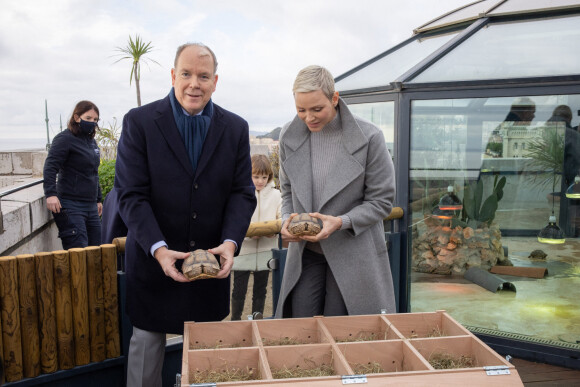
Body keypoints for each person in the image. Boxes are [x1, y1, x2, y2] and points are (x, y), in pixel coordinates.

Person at [114, 42, 256, 386]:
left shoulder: (235, 127)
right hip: (152, 262)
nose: (195, 83)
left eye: (204, 76)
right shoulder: (140, 122)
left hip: (210, 268)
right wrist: (159, 250)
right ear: (174, 76)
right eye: (187, 74)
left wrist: (230, 243)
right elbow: (131, 195)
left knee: (208, 363)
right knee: (146, 352)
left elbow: (242, 192)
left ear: (216, 81)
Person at [275, 65, 397, 319]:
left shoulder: (370, 137)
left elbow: (382, 201)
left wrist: (341, 222)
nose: (309, 118)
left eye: (317, 109)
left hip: (353, 251)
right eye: (301, 110)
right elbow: (286, 191)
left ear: (335, 98)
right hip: (305, 253)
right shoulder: (288, 135)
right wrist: (287, 219)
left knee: (343, 329)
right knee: (301, 327)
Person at [43, 100, 102, 249]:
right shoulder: (65, 139)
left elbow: (93, 172)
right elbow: (50, 166)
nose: (92, 122)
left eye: (95, 120)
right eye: (88, 118)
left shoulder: (91, 142)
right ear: (76, 117)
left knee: (97, 253)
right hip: (71, 206)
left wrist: (98, 199)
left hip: (90, 206)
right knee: (78, 254)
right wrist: (50, 194)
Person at [231, 154, 281, 320]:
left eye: (264, 177)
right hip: (243, 251)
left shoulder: (276, 195)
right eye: (256, 177)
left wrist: (272, 229)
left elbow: (281, 217)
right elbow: (233, 219)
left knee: (261, 290)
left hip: (266, 251)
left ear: (269, 177)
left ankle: (256, 320)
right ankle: (235, 320)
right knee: (239, 289)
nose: (260, 181)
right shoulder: (239, 194)